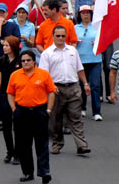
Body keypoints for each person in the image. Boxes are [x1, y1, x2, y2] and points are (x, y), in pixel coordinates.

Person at [39, 25, 92, 156]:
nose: (61, 38)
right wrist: (51, 87)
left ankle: (81, 145)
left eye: (63, 36)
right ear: (53, 37)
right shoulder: (47, 53)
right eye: (58, 36)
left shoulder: (72, 51)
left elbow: (79, 68)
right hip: (56, 89)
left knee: (76, 116)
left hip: (73, 87)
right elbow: (44, 74)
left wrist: (85, 83)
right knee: (55, 118)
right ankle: (57, 143)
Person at [7, 49, 57, 184]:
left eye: (28, 60)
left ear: (34, 61)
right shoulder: (15, 75)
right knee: (24, 145)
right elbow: (10, 93)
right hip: (21, 112)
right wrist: (13, 109)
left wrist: (48, 109)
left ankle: (44, 172)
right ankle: (28, 172)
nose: (26, 63)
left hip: (39, 112)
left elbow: (51, 92)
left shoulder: (43, 74)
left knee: (42, 144)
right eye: (23, 61)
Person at [0, 36, 22, 165]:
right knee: (6, 126)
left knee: (19, 126)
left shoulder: (21, 61)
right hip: (4, 95)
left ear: (13, 47)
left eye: (7, 45)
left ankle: (18, 153)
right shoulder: (1, 60)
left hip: (19, 96)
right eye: (3, 45)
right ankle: (9, 151)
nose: (4, 48)